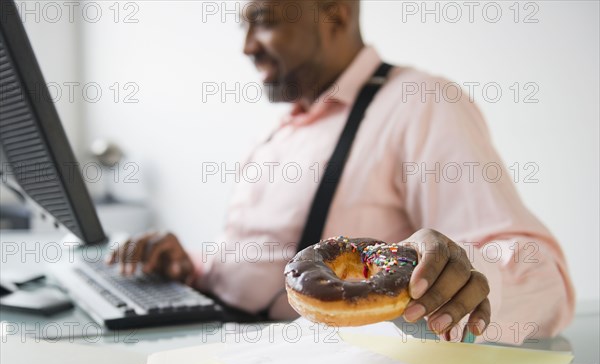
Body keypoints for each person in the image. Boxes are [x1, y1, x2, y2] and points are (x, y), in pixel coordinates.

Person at [110, 0, 574, 344]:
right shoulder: (279, 132)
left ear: (334, 13)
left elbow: (544, 279)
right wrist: (190, 266)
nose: (247, 46)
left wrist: (461, 272)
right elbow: (264, 260)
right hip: (200, 335)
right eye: (243, 26)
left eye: (265, 20)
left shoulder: (421, 103)